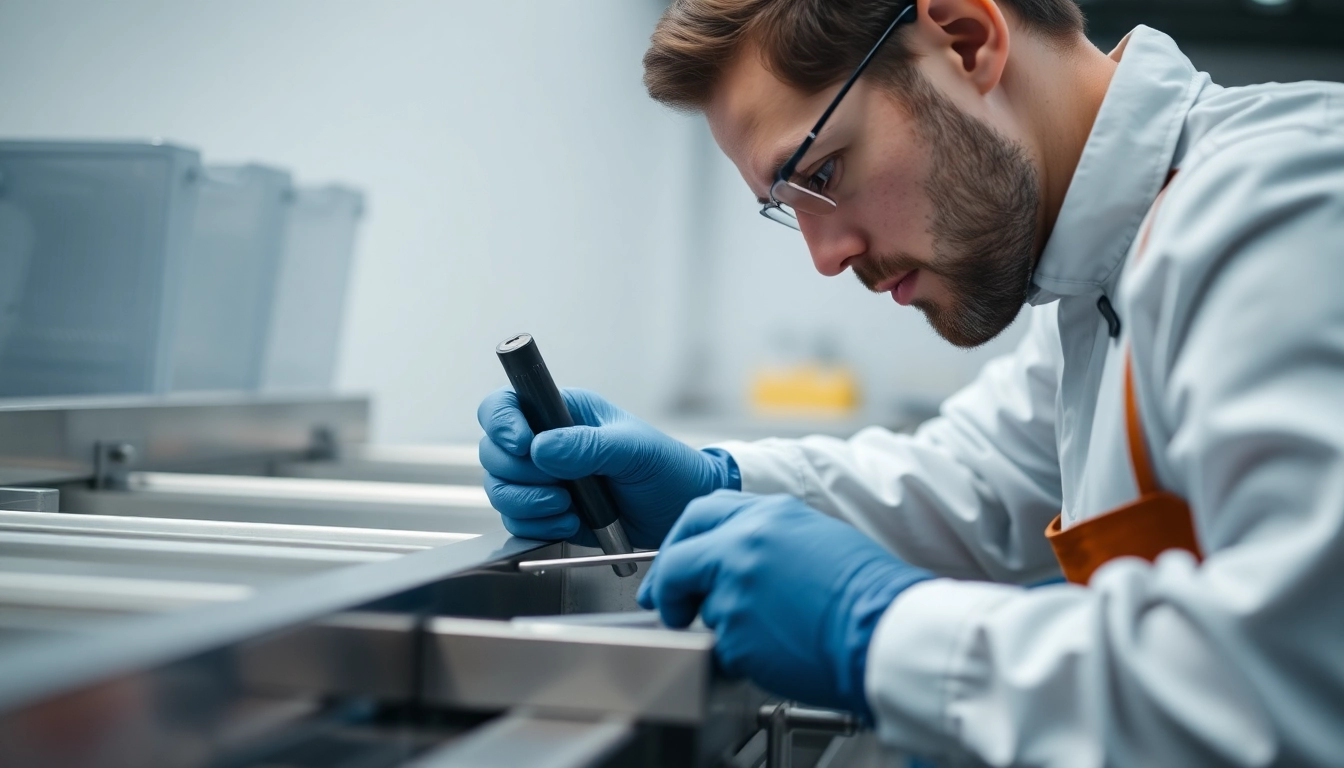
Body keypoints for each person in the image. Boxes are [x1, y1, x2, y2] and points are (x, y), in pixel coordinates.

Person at [478, 0, 1344, 763]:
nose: (826, 258)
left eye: (820, 174)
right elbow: (975, 483)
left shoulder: (1290, 207)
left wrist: (881, 631)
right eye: (791, 206)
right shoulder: (1098, 278)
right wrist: (715, 486)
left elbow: (1289, 688)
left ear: (966, 39)